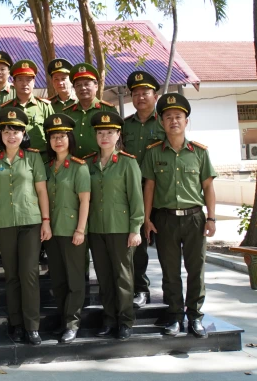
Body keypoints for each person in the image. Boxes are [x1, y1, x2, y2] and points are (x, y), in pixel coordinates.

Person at [142, 93, 216, 338]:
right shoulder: (154, 152)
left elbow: (207, 187)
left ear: (186, 121)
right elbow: (149, 187)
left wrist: (212, 218)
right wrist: (147, 218)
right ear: (162, 122)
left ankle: (195, 316)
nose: (173, 121)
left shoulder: (199, 152)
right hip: (165, 219)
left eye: (178, 117)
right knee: (170, 271)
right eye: (168, 117)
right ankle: (174, 316)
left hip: (195, 218)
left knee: (196, 270)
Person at [0, 106, 50, 346]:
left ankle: (32, 327)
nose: (12, 136)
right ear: (0, 135)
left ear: (24, 134)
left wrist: (46, 221)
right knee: (11, 275)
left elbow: (42, 191)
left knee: (29, 274)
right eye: (7, 131)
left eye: (17, 131)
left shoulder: (33, 157)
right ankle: (16, 324)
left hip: (30, 223)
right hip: (3, 224)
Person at [85, 111, 144, 341]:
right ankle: (109, 319)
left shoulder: (128, 163)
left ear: (118, 134)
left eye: (110, 132)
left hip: (121, 229)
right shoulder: (89, 162)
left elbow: (136, 198)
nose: (105, 137)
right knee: (104, 277)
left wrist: (135, 228)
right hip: (96, 229)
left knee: (123, 277)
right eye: (101, 132)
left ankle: (126, 321)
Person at [43, 113, 90, 344]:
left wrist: (81, 230)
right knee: (59, 280)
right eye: (53, 137)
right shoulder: (47, 167)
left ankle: (72, 323)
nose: (58, 140)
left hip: (73, 232)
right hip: (52, 232)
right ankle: (63, 320)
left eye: (62, 136)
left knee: (75, 280)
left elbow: (85, 201)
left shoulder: (79, 167)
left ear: (70, 139)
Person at [122, 70, 165, 308]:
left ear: (155, 95)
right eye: (135, 93)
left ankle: (173, 294)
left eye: (145, 93)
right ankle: (141, 289)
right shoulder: (126, 125)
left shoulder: (165, 121)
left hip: (162, 192)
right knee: (137, 245)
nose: (140, 97)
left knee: (167, 247)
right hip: (134, 193)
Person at [0, 59, 54, 161]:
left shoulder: (44, 106)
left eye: (28, 80)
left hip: (42, 157)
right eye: (20, 79)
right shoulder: (6, 108)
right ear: (14, 83)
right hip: (15, 159)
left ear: (34, 82)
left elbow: (53, 133)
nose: (24, 83)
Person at [63, 63, 118, 158]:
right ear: (74, 89)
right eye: (78, 85)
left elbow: (119, 141)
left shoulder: (108, 110)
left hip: (98, 166)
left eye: (87, 84)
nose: (83, 88)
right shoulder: (67, 113)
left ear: (96, 86)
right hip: (73, 166)